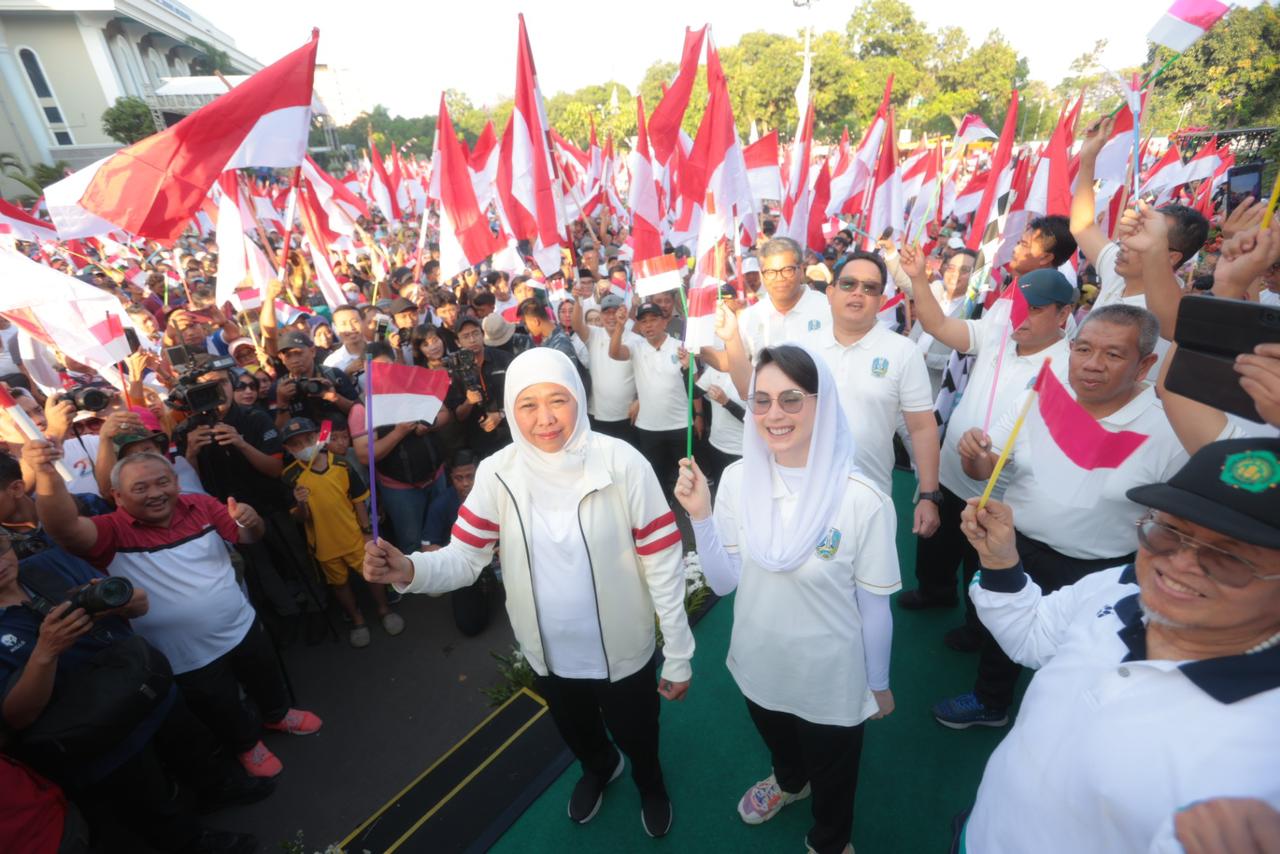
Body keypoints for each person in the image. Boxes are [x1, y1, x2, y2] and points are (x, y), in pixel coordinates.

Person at [363, 349, 693, 838]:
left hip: (625, 647)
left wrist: (680, 651)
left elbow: (662, 560)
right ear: (511, 411)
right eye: (527, 404)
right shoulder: (499, 472)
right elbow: (465, 557)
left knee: (639, 732)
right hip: (549, 652)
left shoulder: (623, 462)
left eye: (557, 400)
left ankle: (650, 783)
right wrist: (407, 567)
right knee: (577, 732)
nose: (545, 419)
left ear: (578, 398)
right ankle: (600, 768)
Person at [955, 438, 1280, 853]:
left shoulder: (1268, 757)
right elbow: (1033, 635)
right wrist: (1000, 559)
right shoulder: (1118, 586)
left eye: (1230, 557)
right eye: (1170, 531)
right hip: (981, 833)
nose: (1179, 562)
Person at [674, 344, 897, 854]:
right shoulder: (734, 480)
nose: (775, 414)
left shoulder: (862, 499)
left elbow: (875, 605)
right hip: (758, 659)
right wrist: (701, 517)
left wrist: (878, 682)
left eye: (792, 399)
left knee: (835, 773)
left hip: (831, 675)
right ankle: (789, 783)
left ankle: (830, 839)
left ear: (824, 404)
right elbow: (726, 583)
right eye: (762, 400)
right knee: (783, 745)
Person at [934, 305, 1189, 728]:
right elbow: (986, 469)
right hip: (1016, 549)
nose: (1092, 364)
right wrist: (973, 457)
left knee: (1076, 660)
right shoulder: (1037, 397)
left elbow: (1178, 522)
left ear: (1145, 363)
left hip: (1098, 570)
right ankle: (990, 702)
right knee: (1001, 638)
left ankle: (1054, 728)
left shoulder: (1169, 432)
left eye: (1112, 354)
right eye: (1084, 348)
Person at [27, 444, 321, 779]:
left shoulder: (203, 505)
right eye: (140, 488)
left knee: (265, 676)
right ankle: (246, 744)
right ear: (117, 497)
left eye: (162, 482)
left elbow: (247, 537)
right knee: (219, 702)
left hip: (242, 624)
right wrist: (47, 473)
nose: (155, 493)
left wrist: (252, 523)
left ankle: (277, 713)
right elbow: (63, 528)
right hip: (184, 654)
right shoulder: (110, 531)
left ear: (176, 482)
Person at [0, 528, 269, 854]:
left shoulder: (52, 564)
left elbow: (139, 604)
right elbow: (16, 716)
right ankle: (192, 843)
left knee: (195, 749)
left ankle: (218, 788)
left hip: (145, 685)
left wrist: (114, 604)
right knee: (153, 802)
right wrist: (47, 651)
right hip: (96, 730)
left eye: (0, 549)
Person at [897, 262, 1075, 651]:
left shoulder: (1068, 368)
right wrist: (918, 277)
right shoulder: (998, 334)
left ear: (1064, 314)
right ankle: (934, 592)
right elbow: (936, 324)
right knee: (936, 547)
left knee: (981, 565)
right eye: (1018, 305)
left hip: (998, 493)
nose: (1021, 318)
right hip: (949, 475)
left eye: (1037, 308)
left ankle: (978, 629)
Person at [282, 417, 404, 648]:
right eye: (295, 444)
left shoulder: (342, 464)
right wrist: (301, 504)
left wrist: (367, 531)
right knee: (340, 584)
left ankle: (384, 609)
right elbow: (300, 518)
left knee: (373, 574)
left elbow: (359, 500)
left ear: (318, 436)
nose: (304, 446)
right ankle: (357, 619)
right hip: (324, 545)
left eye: (308, 439)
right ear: (288, 449)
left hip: (354, 537)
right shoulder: (290, 476)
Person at [1071, 115, 1209, 313]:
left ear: (1172, 257)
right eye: (1133, 233)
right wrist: (1087, 160)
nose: (1125, 244)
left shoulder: (1168, 314)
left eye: (1143, 238)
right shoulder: (1119, 273)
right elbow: (1082, 226)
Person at [715, 236, 832, 397]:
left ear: (802, 269)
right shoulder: (751, 316)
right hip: (769, 417)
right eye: (770, 272)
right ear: (762, 275)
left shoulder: (829, 309)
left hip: (818, 414)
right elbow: (742, 381)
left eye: (787, 270)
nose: (779, 278)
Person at [609, 300, 699, 501]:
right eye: (643, 321)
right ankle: (662, 506)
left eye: (653, 320)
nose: (648, 325)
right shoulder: (636, 346)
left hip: (681, 424)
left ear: (664, 322)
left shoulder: (681, 347)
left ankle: (691, 505)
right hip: (648, 426)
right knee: (655, 473)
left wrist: (686, 366)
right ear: (639, 326)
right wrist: (620, 327)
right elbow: (614, 353)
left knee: (686, 472)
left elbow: (695, 384)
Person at [421, 449, 492, 637]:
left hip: (497, 556)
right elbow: (428, 548)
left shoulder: (495, 493)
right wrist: (457, 556)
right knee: (470, 626)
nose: (465, 483)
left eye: (470, 476)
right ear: (450, 477)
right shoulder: (440, 505)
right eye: (458, 478)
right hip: (464, 563)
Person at [570, 290, 639, 444]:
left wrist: (640, 400)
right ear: (601, 316)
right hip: (598, 414)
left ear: (623, 313)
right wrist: (578, 301)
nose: (611, 317)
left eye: (615, 312)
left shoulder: (637, 340)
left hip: (628, 415)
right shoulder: (594, 334)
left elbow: (646, 375)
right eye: (606, 313)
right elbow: (576, 325)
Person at [454, 316, 513, 458]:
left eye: (475, 333)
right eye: (466, 336)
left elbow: (522, 396)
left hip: (511, 435)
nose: (472, 340)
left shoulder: (504, 359)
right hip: (479, 444)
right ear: (458, 342)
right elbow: (458, 416)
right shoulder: (455, 370)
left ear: (483, 335)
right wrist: (468, 402)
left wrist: (501, 414)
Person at [273, 330, 359, 429]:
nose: (294, 360)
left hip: (340, 439)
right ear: (281, 359)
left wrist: (335, 398)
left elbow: (359, 412)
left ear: (312, 351)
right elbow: (279, 433)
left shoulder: (333, 375)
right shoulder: (279, 388)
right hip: (304, 442)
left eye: (298, 353)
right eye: (288, 356)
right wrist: (282, 403)